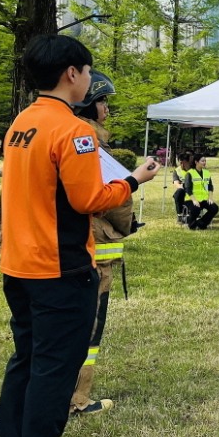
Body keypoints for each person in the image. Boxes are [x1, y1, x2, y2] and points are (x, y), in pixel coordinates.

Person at [0, 34, 159, 437]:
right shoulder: (74, 130)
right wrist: (134, 182)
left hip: (19, 263)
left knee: (25, 359)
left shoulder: (22, 123)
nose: (89, 81)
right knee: (54, 367)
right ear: (72, 74)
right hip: (60, 267)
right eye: (87, 72)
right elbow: (90, 198)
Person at [68, 70, 134, 419]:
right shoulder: (89, 139)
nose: (107, 108)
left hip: (65, 249)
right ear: (88, 105)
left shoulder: (61, 132)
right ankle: (79, 398)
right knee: (91, 326)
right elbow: (115, 198)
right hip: (95, 251)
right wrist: (127, 223)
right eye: (103, 101)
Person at [184, 153, 219, 230]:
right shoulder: (190, 173)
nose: (204, 162)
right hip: (191, 199)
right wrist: (194, 200)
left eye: (205, 161)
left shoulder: (207, 172)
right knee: (196, 209)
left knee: (214, 208)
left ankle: (201, 223)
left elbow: (210, 186)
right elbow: (188, 188)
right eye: (202, 161)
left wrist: (210, 198)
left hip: (204, 198)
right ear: (196, 162)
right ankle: (191, 224)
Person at [172, 151, 193, 221]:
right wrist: (183, 187)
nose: (181, 164)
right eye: (180, 162)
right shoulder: (177, 170)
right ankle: (180, 215)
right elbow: (176, 183)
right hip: (183, 188)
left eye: (183, 162)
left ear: (188, 161)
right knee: (178, 193)